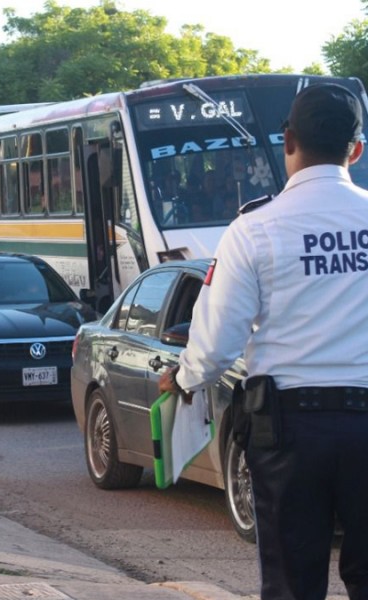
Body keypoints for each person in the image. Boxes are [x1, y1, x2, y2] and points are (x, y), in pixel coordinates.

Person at [159, 83, 368, 599]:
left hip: (289, 431)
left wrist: (183, 378)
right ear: (356, 149)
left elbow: (216, 343)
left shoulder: (255, 229)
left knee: (293, 584)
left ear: (287, 141)